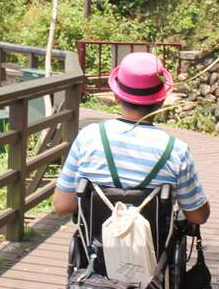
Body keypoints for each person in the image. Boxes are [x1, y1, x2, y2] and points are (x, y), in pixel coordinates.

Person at [53, 52, 210, 224]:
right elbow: (198, 216)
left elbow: (62, 205)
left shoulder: (88, 137)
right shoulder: (176, 150)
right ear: (161, 101)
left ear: (116, 97)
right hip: (153, 249)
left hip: (97, 247)